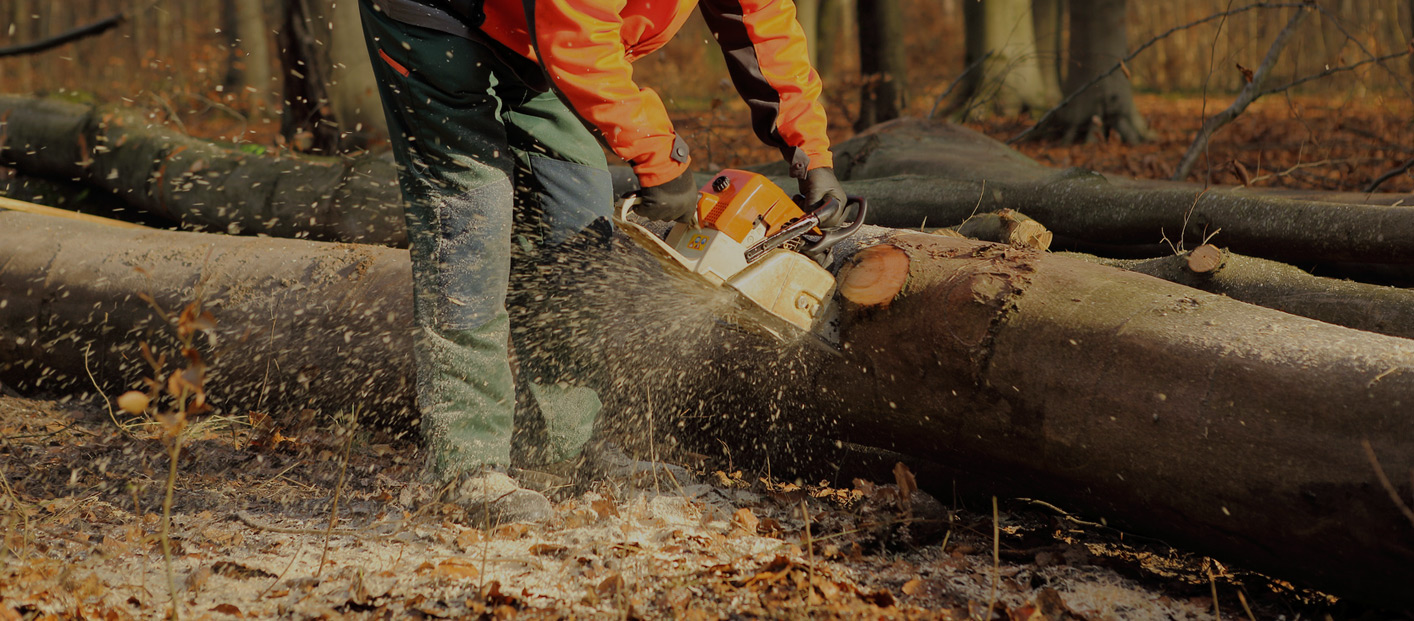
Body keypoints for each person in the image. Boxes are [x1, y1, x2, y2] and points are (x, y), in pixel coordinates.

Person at [356, 0, 847, 522]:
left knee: (577, 222)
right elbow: (577, 29)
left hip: (535, 35)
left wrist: (810, 150)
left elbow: (762, 20)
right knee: (469, 226)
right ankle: (466, 465)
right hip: (438, 20)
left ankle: (560, 452)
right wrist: (657, 155)